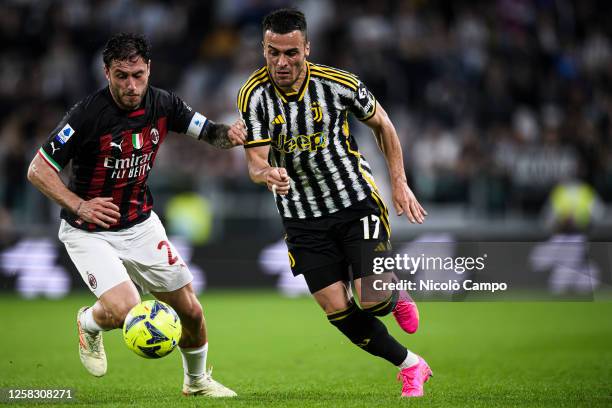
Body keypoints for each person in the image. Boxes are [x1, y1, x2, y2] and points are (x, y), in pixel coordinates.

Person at [27, 33, 241, 398]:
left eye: (138, 75)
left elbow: (210, 133)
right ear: (107, 72)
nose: (131, 85)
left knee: (190, 309)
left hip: (140, 224)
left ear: (149, 70)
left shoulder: (163, 103)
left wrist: (231, 134)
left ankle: (196, 382)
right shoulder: (86, 115)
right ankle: (88, 322)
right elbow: (38, 169)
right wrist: (78, 204)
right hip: (88, 228)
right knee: (126, 308)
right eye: (122, 76)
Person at [231, 9, 432, 397]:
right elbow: (255, 163)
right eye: (273, 52)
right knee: (336, 309)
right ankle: (411, 365)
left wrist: (400, 184)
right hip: (301, 217)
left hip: (355, 201)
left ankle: (393, 294)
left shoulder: (338, 84)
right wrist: (266, 174)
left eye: (291, 52)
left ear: (307, 47)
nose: (282, 62)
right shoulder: (253, 96)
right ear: (264, 49)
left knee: (372, 299)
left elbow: (383, 125)